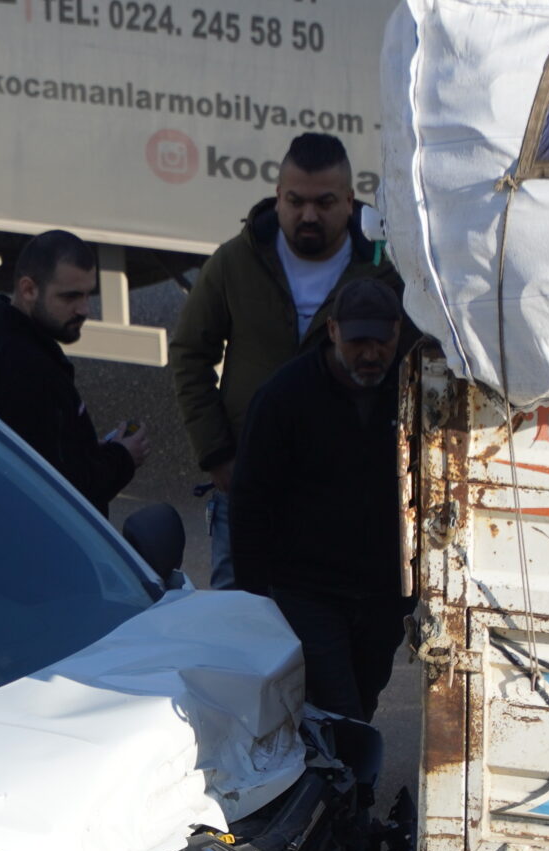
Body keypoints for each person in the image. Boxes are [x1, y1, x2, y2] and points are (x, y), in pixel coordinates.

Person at [171, 133, 391, 587]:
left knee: (322, 634)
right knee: (240, 629)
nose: (308, 215)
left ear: (350, 202)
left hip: (342, 498)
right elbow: (190, 353)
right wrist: (217, 455)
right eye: (296, 201)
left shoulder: (382, 269)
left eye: (325, 202)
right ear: (278, 197)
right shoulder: (237, 261)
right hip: (247, 489)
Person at [229, 281, 412, 722]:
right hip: (309, 591)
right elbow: (250, 501)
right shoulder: (284, 397)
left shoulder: (415, 391)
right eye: (357, 342)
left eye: (381, 341)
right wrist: (256, 602)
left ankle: (343, 784)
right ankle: (348, 789)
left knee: (363, 701)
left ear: (398, 332)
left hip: (383, 593)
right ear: (332, 331)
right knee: (338, 709)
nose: (370, 354)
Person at [0, 230, 149, 514]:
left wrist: (83, 449)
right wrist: (123, 457)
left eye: (88, 295)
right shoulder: (31, 371)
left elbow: (32, 451)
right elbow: (61, 491)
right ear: (29, 290)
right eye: (70, 297)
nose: (84, 309)